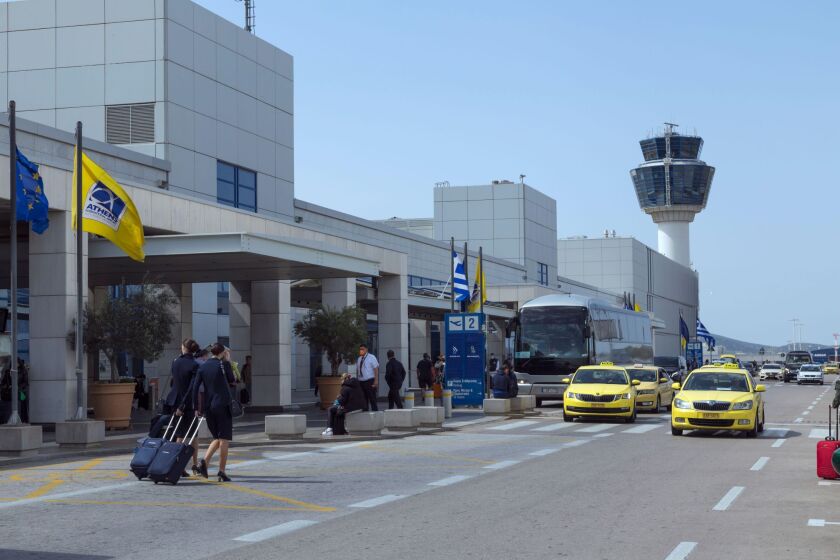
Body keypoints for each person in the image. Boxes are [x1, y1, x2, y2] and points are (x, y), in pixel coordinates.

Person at [193, 343, 236, 482]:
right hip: (223, 405)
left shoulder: (203, 366)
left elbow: (195, 388)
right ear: (223, 353)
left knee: (217, 438)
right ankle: (222, 471)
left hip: (209, 407)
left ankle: (203, 462)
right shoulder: (224, 365)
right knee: (224, 439)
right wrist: (228, 361)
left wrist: (196, 407)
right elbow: (232, 380)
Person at [167, 338, 201, 477]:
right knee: (193, 436)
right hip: (187, 404)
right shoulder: (194, 365)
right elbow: (191, 388)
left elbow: (173, 383)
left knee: (179, 435)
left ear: (183, 348)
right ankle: (193, 465)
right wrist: (184, 405)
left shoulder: (175, 362)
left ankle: (177, 464)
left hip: (174, 402)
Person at [356, 344, 379, 411]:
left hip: (370, 381)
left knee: (372, 398)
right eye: (360, 349)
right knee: (363, 399)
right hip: (361, 381)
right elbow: (358, 370)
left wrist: (376, 380)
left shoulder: (371, 357)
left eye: (362, 349)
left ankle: (375, 413)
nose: (361, 350)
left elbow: (376, 369)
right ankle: (365, 412)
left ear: (366, 349)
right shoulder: (359, 359)